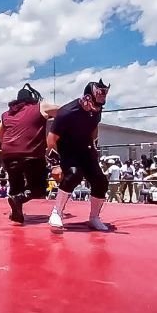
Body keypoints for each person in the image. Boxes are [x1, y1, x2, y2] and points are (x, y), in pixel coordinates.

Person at [46, 80, 112, 231]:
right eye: (95, 105)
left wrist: (94, 145)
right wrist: (55, 165)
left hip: (85, 149)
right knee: (74, 174)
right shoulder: (67, 112)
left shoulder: (96, 110)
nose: (97, 109)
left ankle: (94, 218)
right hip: (67, 151)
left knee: (101, 181)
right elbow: (51, 139)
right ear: (87, 98)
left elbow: (94, 127)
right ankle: (56, 212)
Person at [0, 83, 58, 224]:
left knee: (15, 186)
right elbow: (63, 111)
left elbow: (0, 134)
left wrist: (11, 146)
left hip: (8, 154)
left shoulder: (6, 114)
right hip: (30, 153)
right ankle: (19, 199)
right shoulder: (40, 106)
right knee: (38, 189)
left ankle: (17, 214)